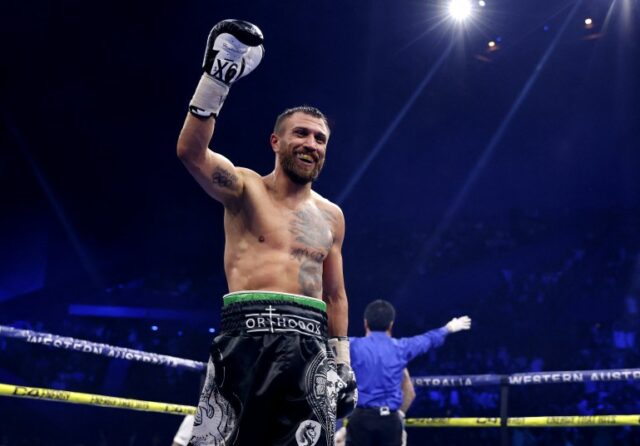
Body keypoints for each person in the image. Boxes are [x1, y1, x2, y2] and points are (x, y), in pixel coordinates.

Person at [176, 19, 357, 446]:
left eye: (320, 138)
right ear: (276, 142)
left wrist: (343, 361)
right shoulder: (243, 188)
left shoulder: (332, 216)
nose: (311, 143)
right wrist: (217, 78)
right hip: (244, 337)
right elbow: (190, 152)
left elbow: (336, 295)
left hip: (310, 349)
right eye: (301, 133)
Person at [345, 299, 471, 446]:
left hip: (360, 420)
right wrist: (448, 328)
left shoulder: (352, 346)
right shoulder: (401, 348)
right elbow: (427, 340)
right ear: (391, 324)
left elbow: (324, 345)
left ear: (365, 323)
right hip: (389, 421)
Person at [335, 368, 414, 446]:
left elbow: (409, 391)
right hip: (381, 419)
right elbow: (410, 392)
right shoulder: (394, 359)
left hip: (362, 419)